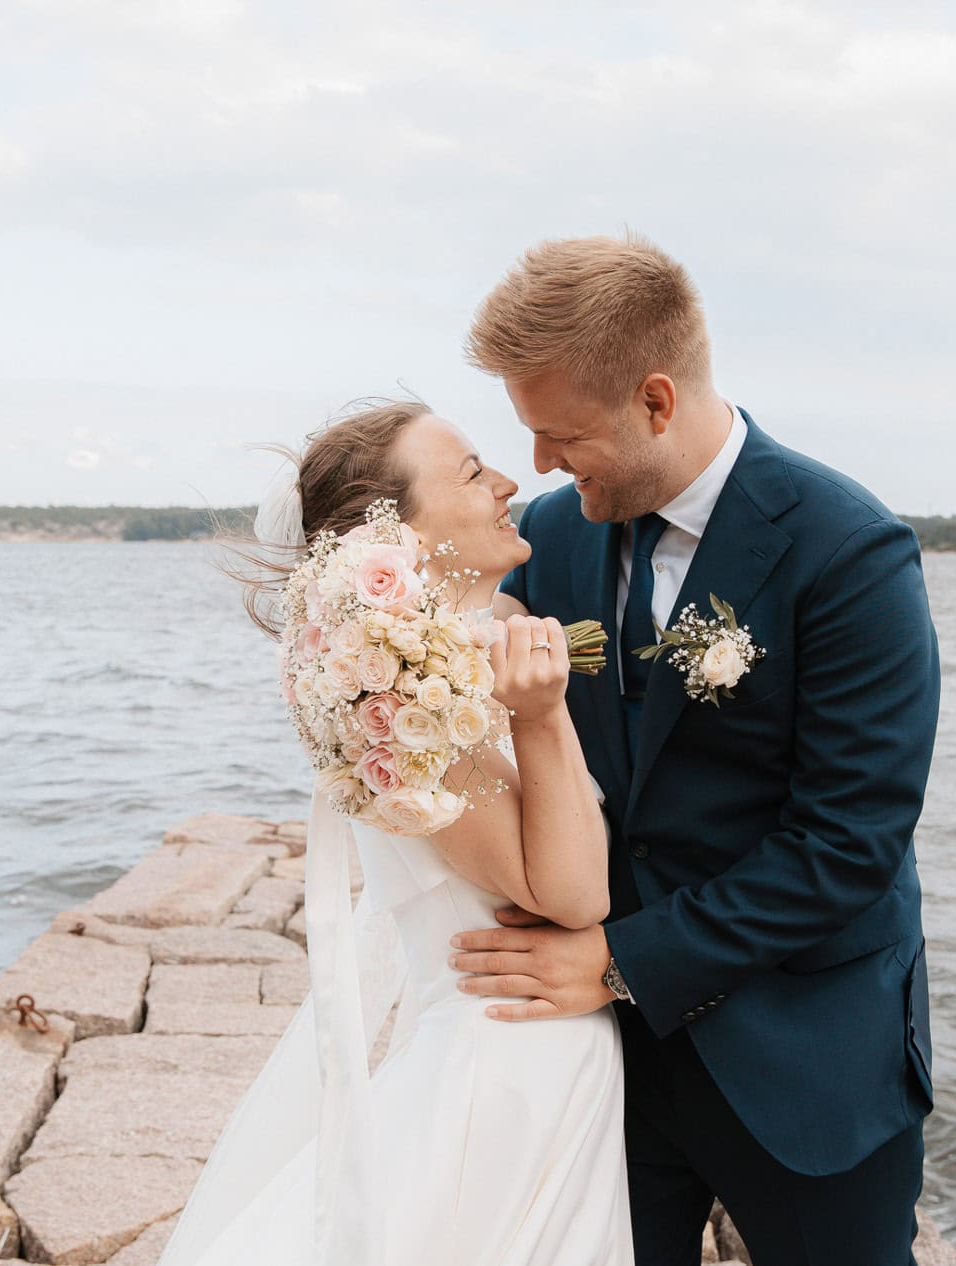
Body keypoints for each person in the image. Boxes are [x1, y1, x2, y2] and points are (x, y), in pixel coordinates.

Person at [452, 233, 942, 1265]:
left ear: (656, 401)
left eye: (560, 433)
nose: (538, 463)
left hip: (806, 1061)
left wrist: (620, 962)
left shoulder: (849, 551)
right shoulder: (558, 535)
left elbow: (847, 843)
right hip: (604, 1068)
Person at [160, 400, 634, 1265]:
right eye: (471, 472)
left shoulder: (478, 637)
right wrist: (541, 714)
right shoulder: (407, 696)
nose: (507, 482)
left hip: (538, 1054)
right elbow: (573, 896)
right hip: (507, 1073)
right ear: (403, 537)